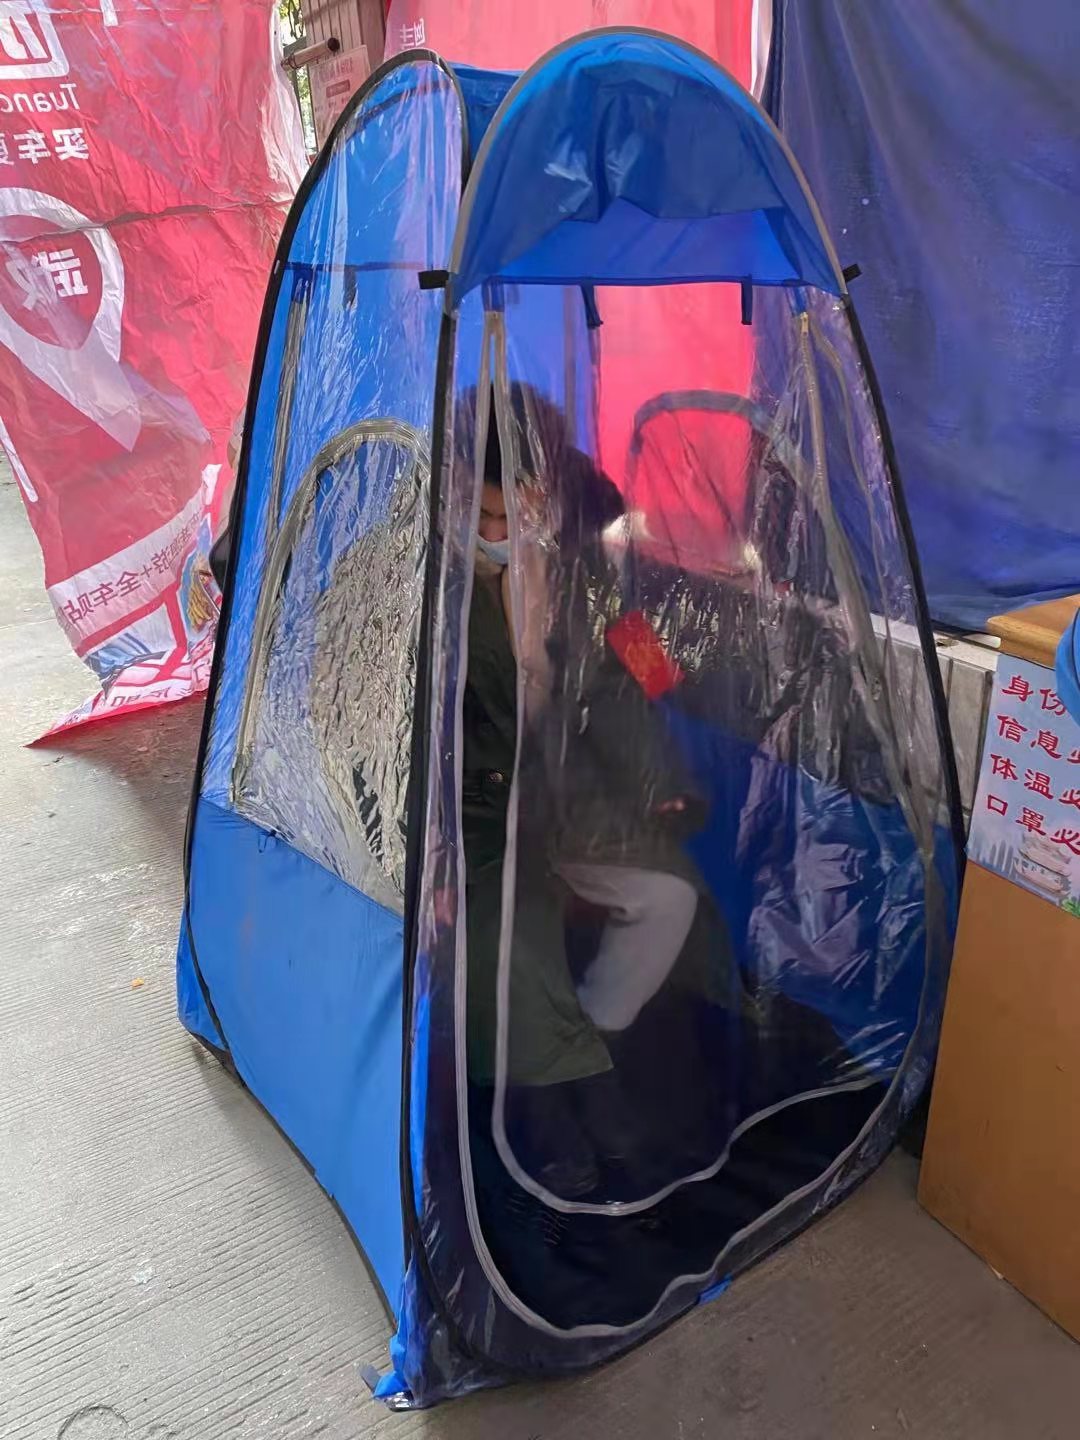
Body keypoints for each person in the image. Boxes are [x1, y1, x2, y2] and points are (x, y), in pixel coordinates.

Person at [460, 384, 710, 1194]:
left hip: (562, 793)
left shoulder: (570, 558)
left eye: (515, 514)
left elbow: (618, 674)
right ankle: (554, 1100)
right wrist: (412, 853)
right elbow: (376, 723)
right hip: (466, 816)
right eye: (482, 517)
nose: (498, 534)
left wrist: (658, 776)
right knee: (511, 942)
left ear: (543, 492)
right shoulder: (409, 578)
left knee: (670, 897)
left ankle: (591, 1043)